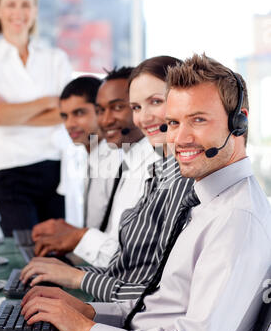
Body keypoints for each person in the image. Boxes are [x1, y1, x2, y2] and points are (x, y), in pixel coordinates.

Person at [21, 54, 271, 331]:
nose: (180, 137)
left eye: (198, 120)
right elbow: (160, 308)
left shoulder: (235, 219)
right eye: (174, 123)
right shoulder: (205, 202)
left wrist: (86, 330)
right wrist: (90, 312)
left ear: (238, 122)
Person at [20, 55, 193, 304]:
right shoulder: (140, 165)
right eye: (136, 107)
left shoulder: (164, 170)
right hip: (121, 298)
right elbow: (130, 264)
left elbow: (139, 273)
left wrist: (77, 254)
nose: (106, 120)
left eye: (117, 107)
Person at [30, 67, 157, 268]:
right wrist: (72, 237)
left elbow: (129, 255)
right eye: (64, 116)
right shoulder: (102, 158)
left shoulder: (124, 160)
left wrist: (77, 237)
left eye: (79, 113)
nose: (70, 124)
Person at [0, 0, 72, 237]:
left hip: (53, 168)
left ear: (35, 11)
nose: (19, 12)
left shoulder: (55, 58)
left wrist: (11, 110)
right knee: (22, 253)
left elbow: (67, 112)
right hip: (10, 171)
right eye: (11, 4)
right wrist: (49, 101)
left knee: (54, 254)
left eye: (26, 4)